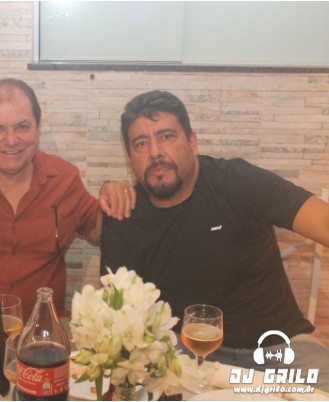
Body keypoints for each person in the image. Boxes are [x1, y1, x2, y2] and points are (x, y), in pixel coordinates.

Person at [100, 89, 329, 391]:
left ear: (192, 142)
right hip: (185, 354)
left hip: (278, 351)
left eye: (166, 136)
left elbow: (323, 221)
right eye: (141, 143)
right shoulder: (123, 214)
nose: (155, 151)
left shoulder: (237, 181)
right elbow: (116, 313)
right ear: (130, 158)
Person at [0, 78, 134, 364]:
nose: (11, 140)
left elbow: (98, 230)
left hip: (44, 347)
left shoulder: (64, 179)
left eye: (22, 126)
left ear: (37, 128)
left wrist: (113, 192)